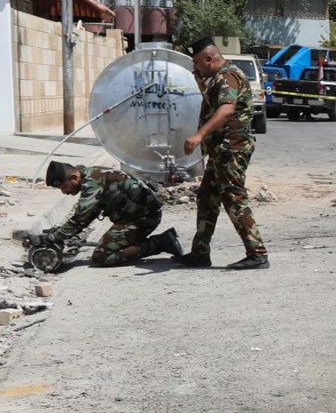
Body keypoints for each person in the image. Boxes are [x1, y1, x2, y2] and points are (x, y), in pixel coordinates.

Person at [180, 37, 270, 270]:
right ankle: (200, 252)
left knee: (233, 198)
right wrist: (200, 81)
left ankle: (257, 253)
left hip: (232, 147)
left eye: (198, 63)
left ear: (209, 58)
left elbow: (227, 109)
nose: (196, 67)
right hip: (221, 150)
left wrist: (199, 135)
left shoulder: (228, 76)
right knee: (207, 197)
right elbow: (214, 103)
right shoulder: (217, 78)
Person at [37, 161, 182, 267]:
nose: (65, 192)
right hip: (135, 216)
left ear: (74, 177)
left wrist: (54, 236)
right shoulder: (91, 173)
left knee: (102, 256)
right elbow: (89, 214)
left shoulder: (92, 182)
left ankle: (160, 243)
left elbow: (81, 219)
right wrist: (58, 232)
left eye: (64, 187)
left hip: (142, 219)